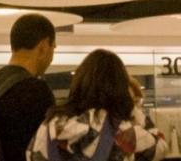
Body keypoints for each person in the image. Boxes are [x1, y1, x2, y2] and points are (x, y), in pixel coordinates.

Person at [28, 48, 166, 161]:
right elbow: (160, 147)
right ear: (120, 88)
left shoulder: (48, 127)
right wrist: (132, 109)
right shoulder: (123, 131)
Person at [0, 13, 57, 161]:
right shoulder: (37, 91)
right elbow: (45, 150)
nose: (52, 56)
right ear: (43, 47)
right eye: (53, 48)